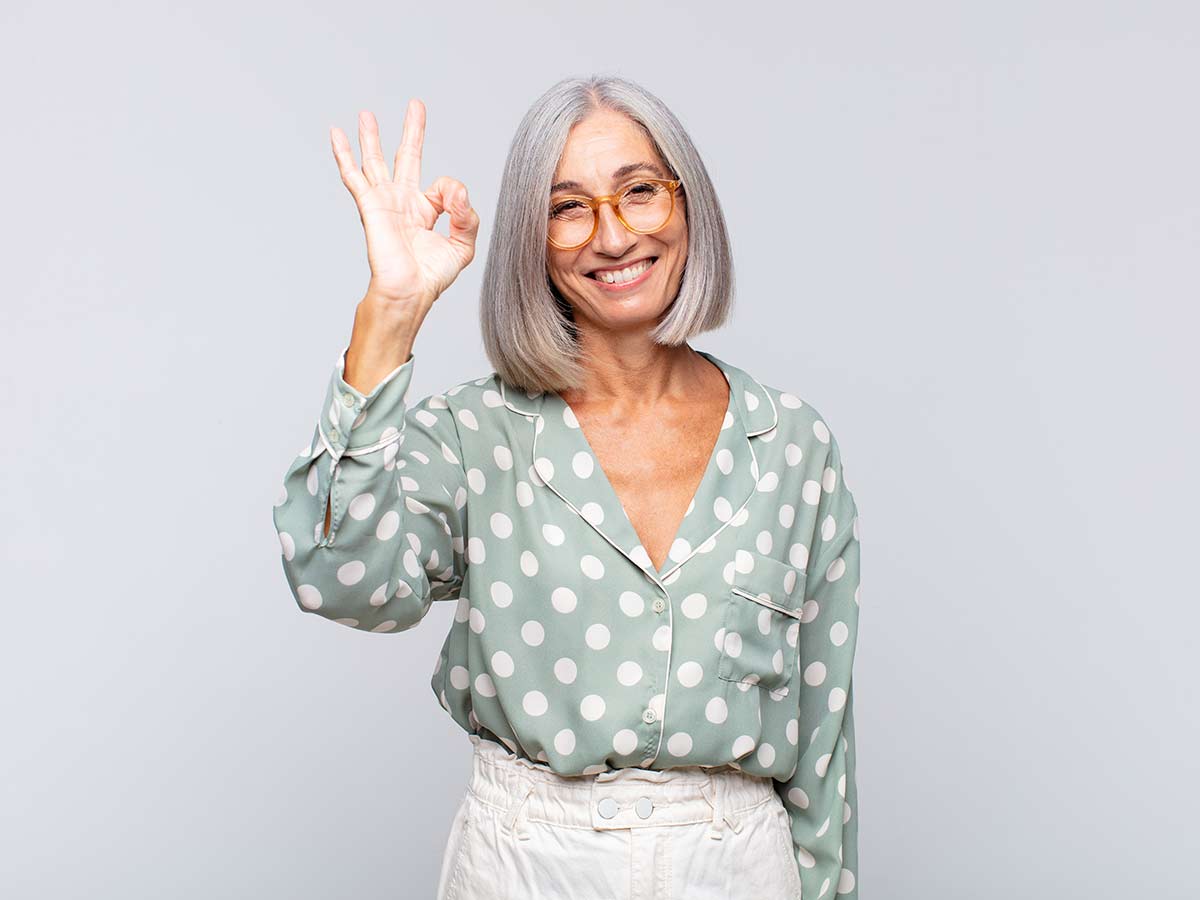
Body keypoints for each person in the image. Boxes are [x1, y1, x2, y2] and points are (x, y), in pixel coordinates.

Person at [271, 74, 862, 900]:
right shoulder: (476, 436)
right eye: (568, 208)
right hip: (527, 865)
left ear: (688, 205)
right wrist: (392, 311)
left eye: (640, 192)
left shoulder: (793, 445)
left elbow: (823, 735)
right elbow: (340, 582)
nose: (613, 236)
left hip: (738, 865)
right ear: (532, 241)